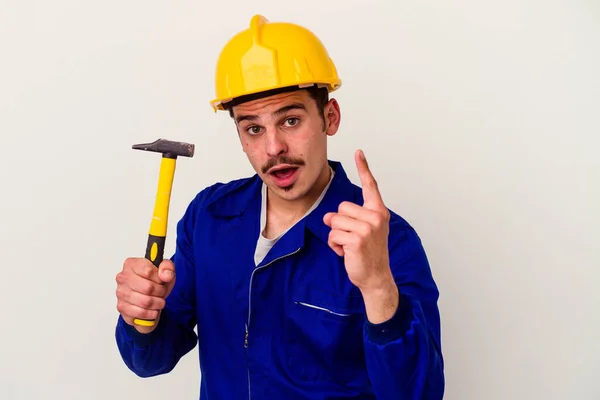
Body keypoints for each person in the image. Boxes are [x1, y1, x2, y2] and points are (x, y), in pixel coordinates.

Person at [115, 14, 444, 399]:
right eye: (253, 128)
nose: (273, 148)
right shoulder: (210, 218)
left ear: (329, 117)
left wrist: (377, 287)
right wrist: (143, 318)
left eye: (290, 120)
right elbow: (151, 361)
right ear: (239, 135)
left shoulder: (387, 240)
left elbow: (419, 395)